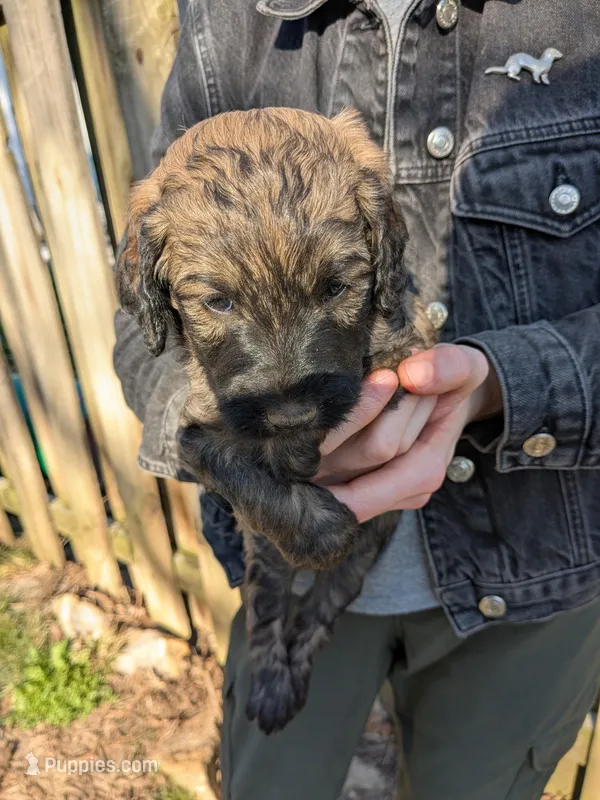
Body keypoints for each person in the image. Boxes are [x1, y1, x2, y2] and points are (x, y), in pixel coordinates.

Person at [113, 1, 600, 798]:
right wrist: (217, 445)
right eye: (220, 303)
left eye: (338, 282)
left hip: (537, 574)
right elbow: (144, 336)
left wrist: (500, 382)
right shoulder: (225, 19)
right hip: (275, 585)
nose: (289, 387)